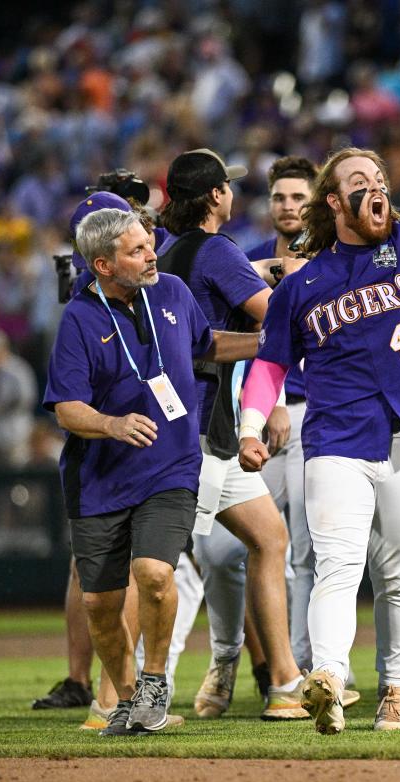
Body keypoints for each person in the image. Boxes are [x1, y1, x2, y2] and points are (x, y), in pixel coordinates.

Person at [236, 46, 400, 734]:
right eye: (359, 180)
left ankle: (393, 692)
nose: (377, 185)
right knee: (337, 565)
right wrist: (252, 427)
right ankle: (330, 680)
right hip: (337, 438)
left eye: (379, 175)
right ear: (335, 202)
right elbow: (271, 367)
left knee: (399, 574)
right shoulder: (302, 283)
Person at [44, 207, 259, 736]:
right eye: (137, 251)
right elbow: (67, 407)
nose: (151, 256)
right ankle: (125, 695)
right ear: (102, 264)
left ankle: (155, 682)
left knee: (156, 574)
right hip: (101, 476)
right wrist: (112, 425)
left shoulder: (173, 292)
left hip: (172, 465)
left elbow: (206, 345)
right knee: (99, 603)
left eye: (149, 244)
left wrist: (271, 344)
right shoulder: (79, 318)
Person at [156, 147, 307, 721]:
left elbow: (217, 318)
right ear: (217, 196)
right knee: (166, 566)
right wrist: (305, 285)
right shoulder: (218, 250)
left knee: (269, 540)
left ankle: (285, 683)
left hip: (200, 425)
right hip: (197, 430)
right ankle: (128, 694)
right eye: (228, 186)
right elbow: (274, 315)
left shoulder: (170, 253)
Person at [244, 155, 318, 674]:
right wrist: (269, 403)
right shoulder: (244, 260)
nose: (288, 206)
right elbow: (252, 346)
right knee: (234, 552)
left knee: (309, 552)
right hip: (256, 415)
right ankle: (237, 659)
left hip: (315, 411)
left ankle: (309, 664)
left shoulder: (336, 259)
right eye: (280, 197)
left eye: (298, 197)